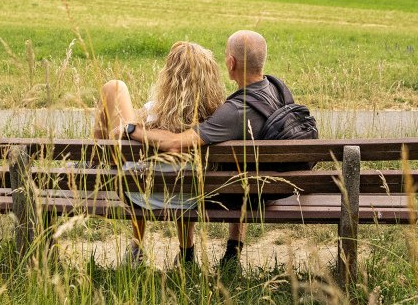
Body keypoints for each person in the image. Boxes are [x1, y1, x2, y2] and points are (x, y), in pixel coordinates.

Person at [113, 29, 294, 269]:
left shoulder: (230, 113)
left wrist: (130, 129)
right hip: (273, 185)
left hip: (203, 194)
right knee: (239, 171)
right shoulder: (277, 89)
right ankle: (232, 252)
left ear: (231, 63)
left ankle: (168, 250)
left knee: (223, 173)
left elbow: (176, 143)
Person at [94, 40, 226, 266]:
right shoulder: (218, 118)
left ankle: (137, 246)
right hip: (192, 199)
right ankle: (186, 251)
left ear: (168, 75)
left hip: (139, 195)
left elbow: (123, 131)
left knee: (115, 88)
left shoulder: (152, 112)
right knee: (183, 177)